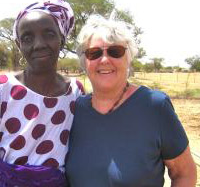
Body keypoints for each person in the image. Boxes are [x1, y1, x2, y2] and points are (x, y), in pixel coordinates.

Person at [66, 15, 197, 187]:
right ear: (85, 62)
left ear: (128, 58)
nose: (104, 60)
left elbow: (184, 174)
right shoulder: (75, 109)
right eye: (94, 53)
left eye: (115, 51)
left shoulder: (154, 106)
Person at [0, 0, 84, 187]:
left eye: (49, 34)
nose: (39, 44)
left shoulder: (75, 91)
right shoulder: (3, 87)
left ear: (62, 40)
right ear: (19, 45)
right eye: (27, 38)